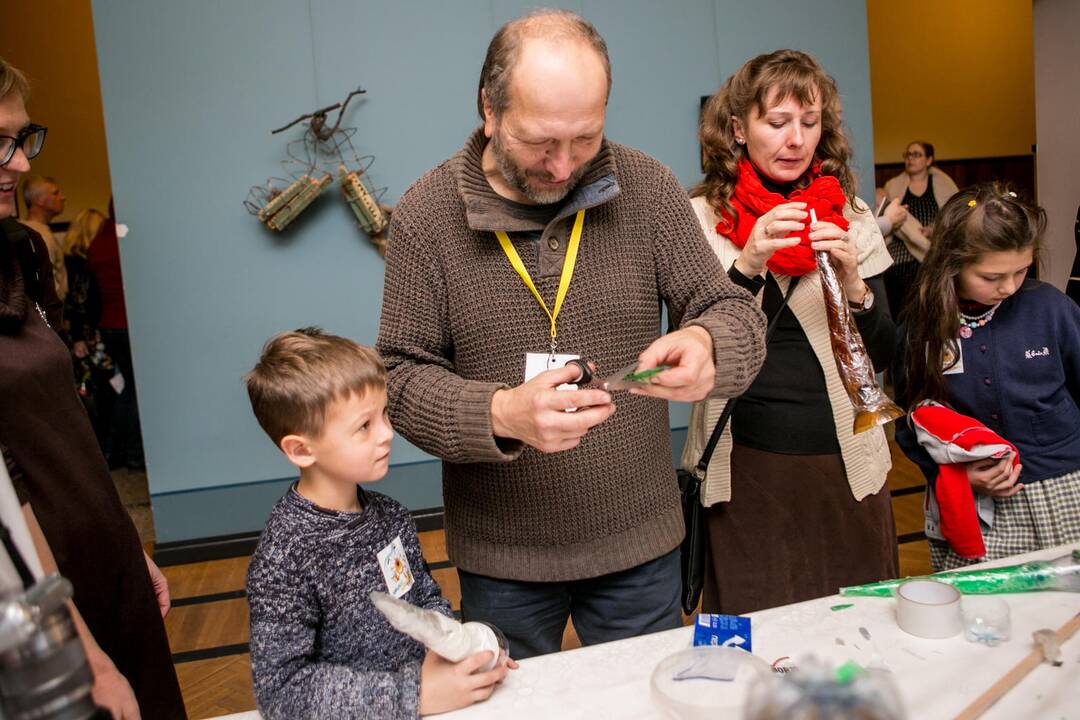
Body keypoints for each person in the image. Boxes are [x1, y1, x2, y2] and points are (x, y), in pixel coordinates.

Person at [376, 9, 766, 659]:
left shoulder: (646, 187)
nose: (562, 168)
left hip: (639, 545)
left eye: (585, 140)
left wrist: (708, 345)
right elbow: (398, 375)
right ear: (489, 110)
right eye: (539, 143)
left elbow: (732, 309)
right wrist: (500, 411)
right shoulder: (426, 213)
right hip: (503, 562)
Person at [0, 57, 185, 719]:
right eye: (1, 142)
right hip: (41, 607)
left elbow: (63, 426)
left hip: (98, 557)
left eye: (24, 140)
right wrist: (84, 652)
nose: (20, 164)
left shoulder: (19, 253)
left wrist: (125, 541)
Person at [683, 49, 899, 615]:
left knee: (858, 630)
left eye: (809, 122)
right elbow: (693, 349)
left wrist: (856, 284)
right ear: (737, 128)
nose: (795, 140)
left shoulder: (849, 215)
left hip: (846, 464)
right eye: (777, 123)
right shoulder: (701, 218)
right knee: (753, 639)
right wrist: (747, 264)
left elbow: (886, 351)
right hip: (746, 468)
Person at [244, 328, 513, 718]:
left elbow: (422, 600)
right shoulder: (285, 556)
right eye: (364, 426)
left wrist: (463, 654)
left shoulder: (391, 518)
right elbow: (283, 693)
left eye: (384, 414)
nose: (387, 434)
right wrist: (415, 694)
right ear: (301, 449)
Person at [894, 184, 1080, 570]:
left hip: (1065, 489)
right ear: (953, 263)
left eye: (1021, 271)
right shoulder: (921, 326)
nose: (1009, 287)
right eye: (992, 276)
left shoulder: (1051, 308)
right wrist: (959, 476)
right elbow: (909, 421)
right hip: (976, 504)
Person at [87, 204, 144, 470]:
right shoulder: (127, 241)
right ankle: (130, 453)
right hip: (126, 322)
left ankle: (114, 451)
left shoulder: (99, 241)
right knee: (135, 390)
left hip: (108, 324)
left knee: (127, 389)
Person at [881, 141, 959, 319]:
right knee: (902, 273)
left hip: (934, 244)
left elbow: (953, 216)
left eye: (916, 154)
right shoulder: (894, 185)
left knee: (933, 273)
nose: (910, 158)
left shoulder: (943, 183)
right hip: (902, 245)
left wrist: (934, 230)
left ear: (929, 160)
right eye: (908, 154)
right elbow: (891, 217)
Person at [19, 174, 67, 299]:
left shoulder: (27, 230)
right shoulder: (39, 235)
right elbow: (44, 284)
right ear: (39, 200)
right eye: (55, 193)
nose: (63, 197)